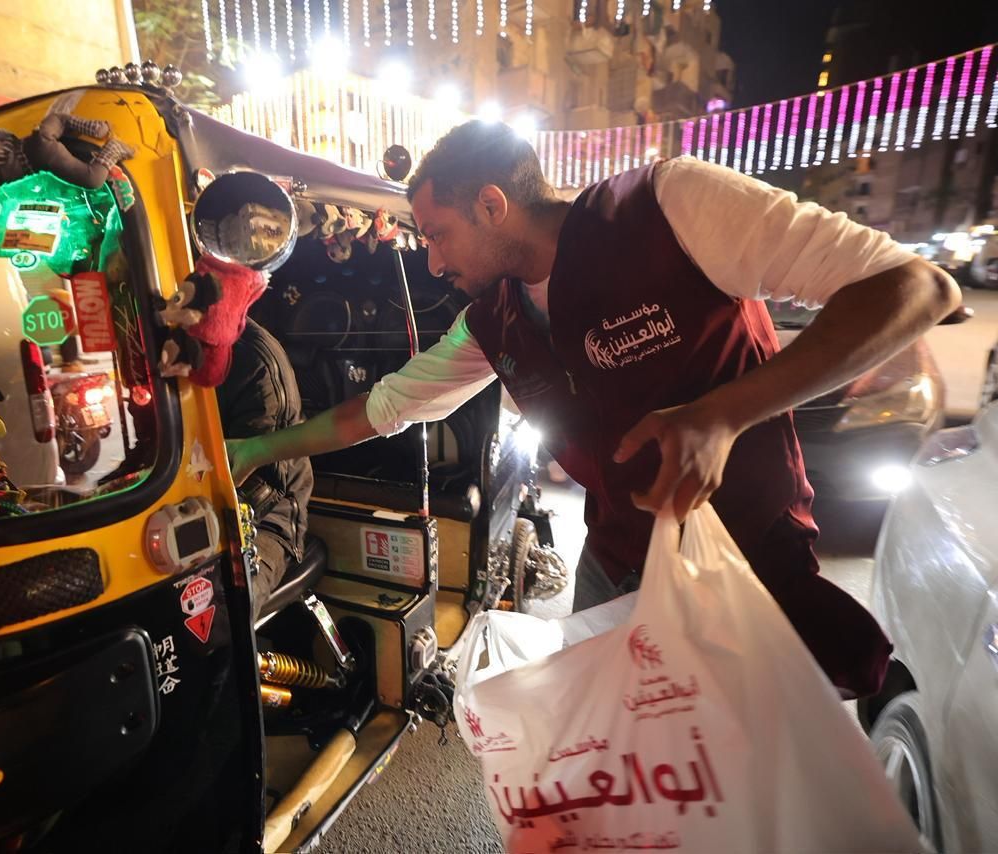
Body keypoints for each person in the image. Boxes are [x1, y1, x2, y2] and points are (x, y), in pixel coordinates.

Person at [228, 121, 962, 697]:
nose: (433, 262)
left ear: (492, 204)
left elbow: (916, 288)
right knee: (606, 770)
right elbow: (382, 408)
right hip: (612, 569)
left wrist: (723, 414)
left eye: (438, 234)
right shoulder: (494, 321)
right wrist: (256, 451)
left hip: (739, 562)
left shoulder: (667, 208)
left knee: (730, 786)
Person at [216, 317, 314, 616]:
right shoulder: (153, 348)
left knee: (219, 606)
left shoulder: (254, 358)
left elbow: (266, 484)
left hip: (267, 519)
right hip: (188, 509)